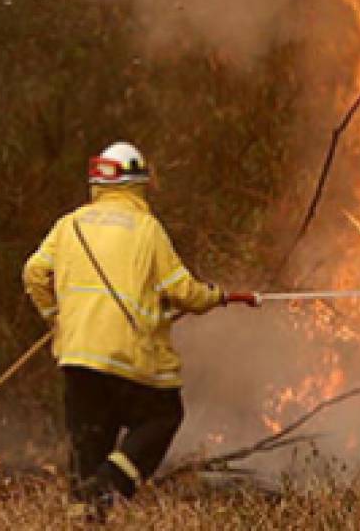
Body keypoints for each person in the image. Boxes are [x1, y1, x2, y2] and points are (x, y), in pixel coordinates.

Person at [23, 141, 259, 520]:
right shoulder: (147, 230)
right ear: (136, 183)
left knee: (89, 445)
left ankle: (87, 508)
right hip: (127, 356)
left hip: (77, 355)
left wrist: (57, 319)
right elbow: (184, 291)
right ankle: (111, 484)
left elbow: (34, 273)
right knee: (162, 416)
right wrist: (218, 296)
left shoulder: (70, 224)